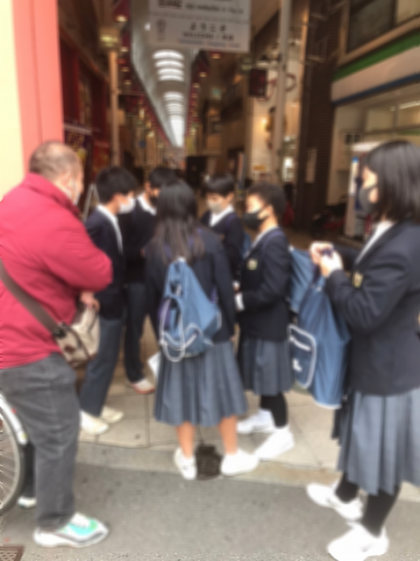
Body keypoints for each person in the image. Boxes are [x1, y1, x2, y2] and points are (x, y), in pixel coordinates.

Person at [307, 141, 420, 561]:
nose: (360, 188)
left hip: (389, 369)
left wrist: (334, 277)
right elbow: (371, 266)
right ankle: (345, 494)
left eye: (366, 181)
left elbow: (365, 312)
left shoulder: (407, 242)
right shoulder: (392, 226)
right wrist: (338, 254)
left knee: (384, 452)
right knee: (359, 435)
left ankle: (373, 532)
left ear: (392, 183)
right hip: (376, 360)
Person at [0, 141, 112, 547]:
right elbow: (98, 272)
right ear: (67, 178)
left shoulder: (11, 202)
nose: (80, 190)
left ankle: (31, 490)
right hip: (29, 348)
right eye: (80, 181)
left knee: (34, 425)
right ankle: (55, 521)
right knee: (59, 431)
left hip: (8, 335)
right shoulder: (53, 218)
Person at [145, 181, 259, 480]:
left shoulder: (154, 247)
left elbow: (153, 298)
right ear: (190, 205)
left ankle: (187, 460)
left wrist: (163, 336)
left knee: (181, 396)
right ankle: (232, 456)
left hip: (176, 335)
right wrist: (230, 326)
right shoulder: (209, 240)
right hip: (212, 330)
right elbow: (224, 288)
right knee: (222, 392)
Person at [236, 183, 295, 460]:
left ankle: (282, 432)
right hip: (258, 321)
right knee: (261, 375)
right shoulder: (263, 238)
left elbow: (273, 289)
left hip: (269, 324)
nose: (246, 212)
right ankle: (264, 416)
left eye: (250, 207)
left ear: (268, 210)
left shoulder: (276, 242)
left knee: (270, 381)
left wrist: (241, 300)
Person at [79, 167, 136, 435]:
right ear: (117, 195)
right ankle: (86, 412)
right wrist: (88, 292)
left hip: (115, 297)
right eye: (130, 194)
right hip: (104, 301)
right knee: (102, 357)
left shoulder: (111, 220)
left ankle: (96, 404)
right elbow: (80, 261)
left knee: (110, 356)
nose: (132, 199)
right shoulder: (95, 223)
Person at [118, 166, 177, 394]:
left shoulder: (167, 210)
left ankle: (169, 369)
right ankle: (133, 373)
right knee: (135, 328)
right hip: (137, 280)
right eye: (160, 191)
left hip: (163, 278)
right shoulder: (129, 211)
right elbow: (120, 248)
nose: (164, 198)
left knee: (164, 325)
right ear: (148, 187)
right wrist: (142, 252)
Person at [200, 173, 245, 280]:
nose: (210, 202)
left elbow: (232, 255)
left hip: (221, 276)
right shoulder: (207, 215)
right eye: (207, 198)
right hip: (205, 272)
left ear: (229, 197)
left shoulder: (234, 222)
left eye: (215, 199)